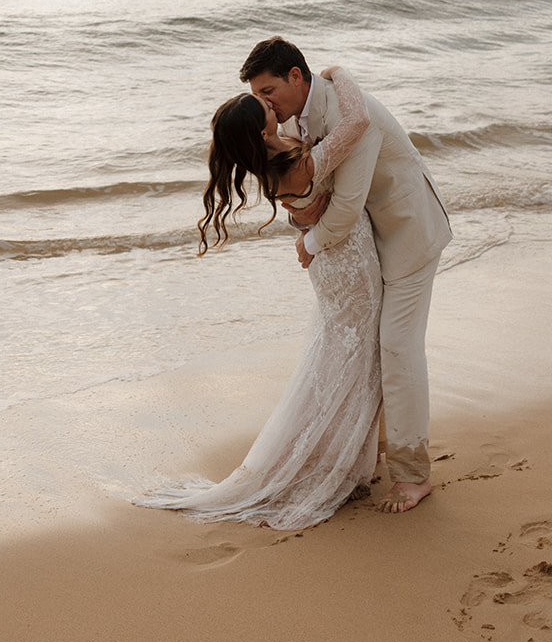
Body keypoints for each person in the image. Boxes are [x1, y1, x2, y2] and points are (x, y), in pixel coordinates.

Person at [137, 66, 383, 530]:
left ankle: (343, 457)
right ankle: (339, 464)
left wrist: (303, 219)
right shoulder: (293, 163)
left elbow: (305, 204)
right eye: (265, 107)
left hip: (333, 265)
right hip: (348, 265)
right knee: (353, 359)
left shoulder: (275, 161)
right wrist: (337, 74)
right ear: (261, 128)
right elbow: (356, 124)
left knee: (338, 357)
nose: (273, 105)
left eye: (268, 98)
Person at [241, 37, 451, 515]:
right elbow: (310, 195)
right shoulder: (294, 117)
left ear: (296, 76)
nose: (264, 103)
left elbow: (345, 206)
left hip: (408, 231)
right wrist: (301, 220)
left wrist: (308, 245)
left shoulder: (348, 116)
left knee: (397, 345)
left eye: (268, 89)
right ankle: (369, 451)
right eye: (258, 94)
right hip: (370, 241)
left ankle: (413, 474)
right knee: (374, 347)